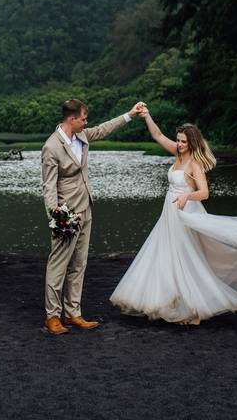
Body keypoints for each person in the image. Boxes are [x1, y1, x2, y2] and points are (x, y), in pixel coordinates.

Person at [109, 109, 237, 324]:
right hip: (169, 213)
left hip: (185, 213)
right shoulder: (177, 155)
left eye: (183, 142)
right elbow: (157, 135)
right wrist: (146, 116)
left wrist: (187, 195)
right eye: (178, 140)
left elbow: (204, 193)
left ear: (192, 143)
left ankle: (190, 304)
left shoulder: (194, 164)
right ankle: (168, 299)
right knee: (165, 252)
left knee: (185, 256)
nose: (179, 144)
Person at [41, 98, 146, 335]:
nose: (86, 122)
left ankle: (73, 313)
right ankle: (52, 317)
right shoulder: (51, 146)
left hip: (86, 208)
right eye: (83, 119)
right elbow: (48, 186)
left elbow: (104, 128)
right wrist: (55, 215)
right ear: (71, 119)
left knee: (79, 264)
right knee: (58, 266)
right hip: (65, 215)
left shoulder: (82, 136)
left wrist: (129, 114)